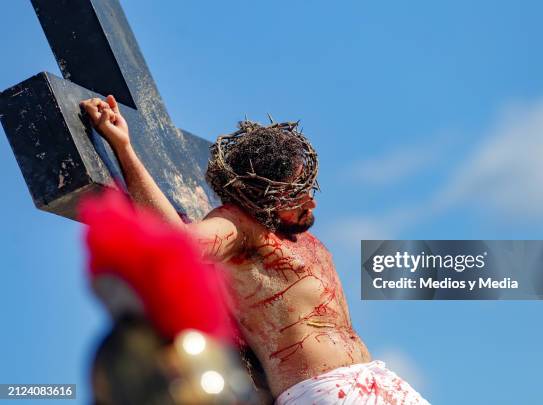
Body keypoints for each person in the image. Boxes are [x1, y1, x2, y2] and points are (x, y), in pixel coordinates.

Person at [80, 96, 429, 404]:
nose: (310, 202)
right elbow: (179, 244)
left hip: (380, 381)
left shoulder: (297, 233)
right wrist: (125, 150)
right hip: (321, 392)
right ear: (266, 197)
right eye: (295, 194)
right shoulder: (238, 226)